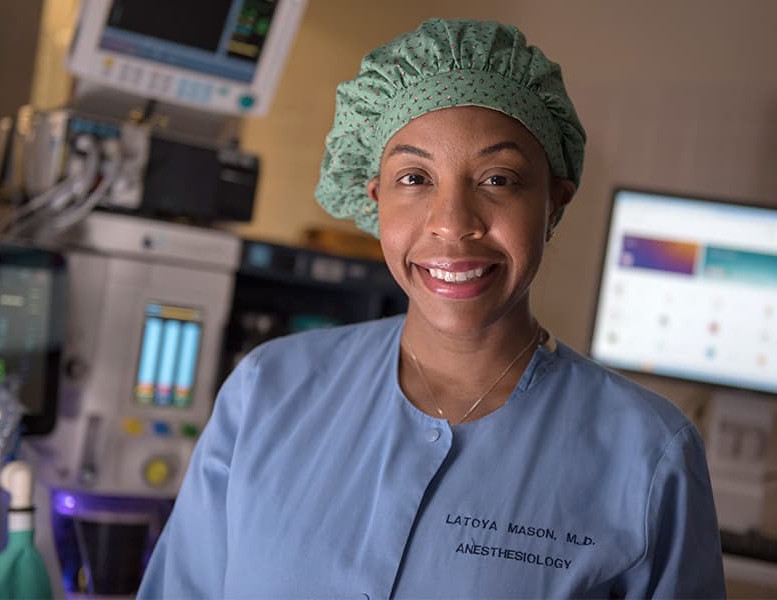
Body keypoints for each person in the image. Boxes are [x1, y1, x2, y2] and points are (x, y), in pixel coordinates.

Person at [138, 18, 726, 599]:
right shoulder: (266, 393)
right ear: (376, 200)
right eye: (415, 177)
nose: (452, 223)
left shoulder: (649, 457)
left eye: (497, 178)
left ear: (554, 203)